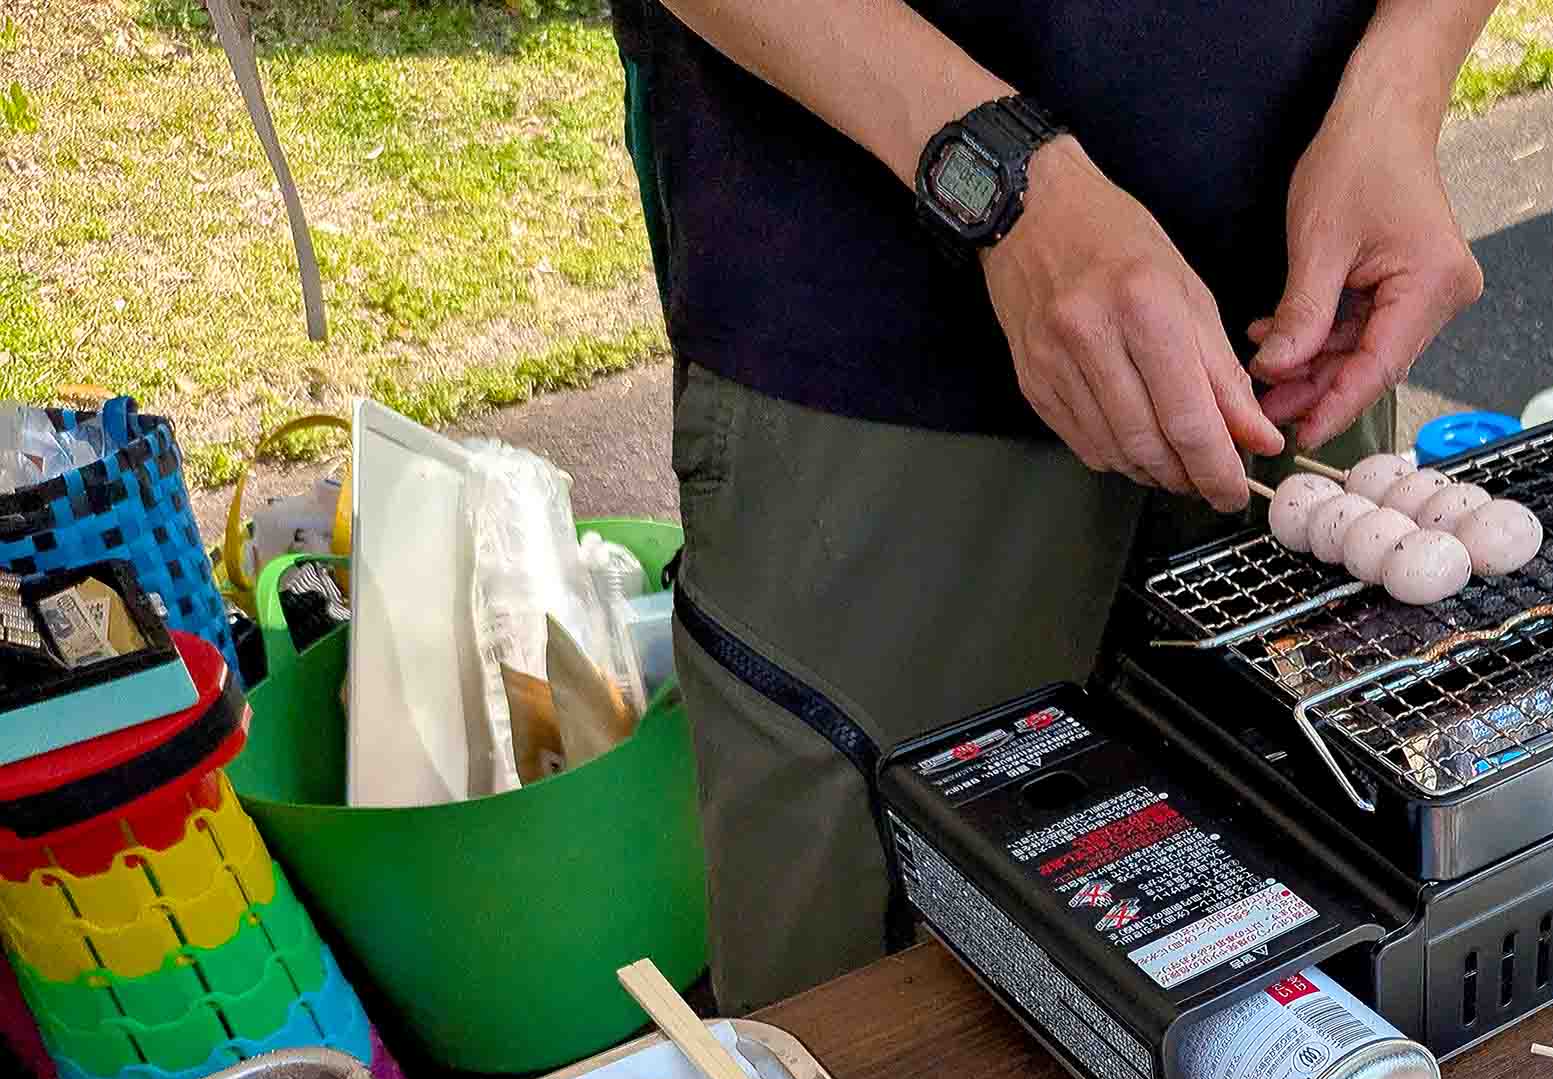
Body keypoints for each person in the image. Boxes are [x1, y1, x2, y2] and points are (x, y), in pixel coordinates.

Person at [613, 1, 1496, 1009]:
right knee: (891, 1040)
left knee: (1321, 984)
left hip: (1292, 330)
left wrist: (1405, 77)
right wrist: (993, 173)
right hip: (879, 372)